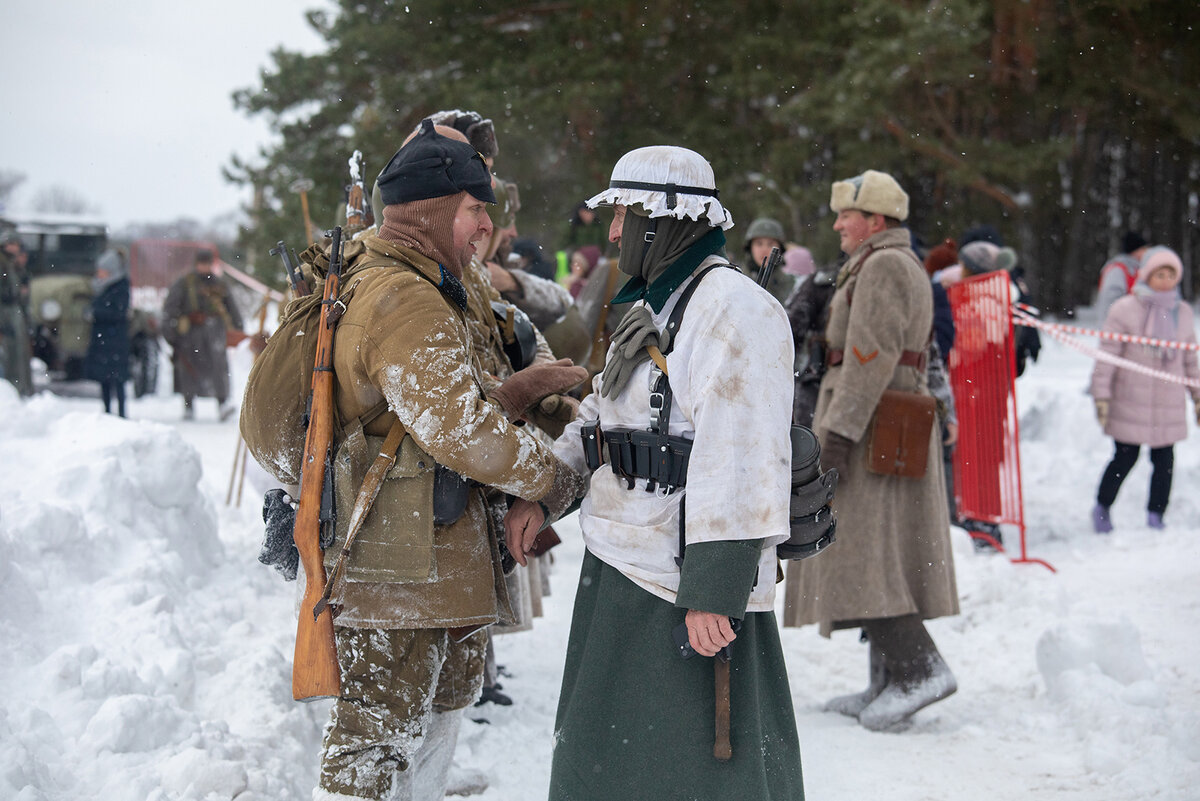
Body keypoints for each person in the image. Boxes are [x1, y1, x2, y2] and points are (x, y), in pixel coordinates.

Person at [300, 120, 587, 801]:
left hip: (429, 563)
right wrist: (557, 480)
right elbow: (462, 432)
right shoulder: (403, 295)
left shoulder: (424, 279)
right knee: (371, 752)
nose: (485, 225)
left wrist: (518, 390)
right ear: (431, 211)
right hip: (398, 571)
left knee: (431, 727)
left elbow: (437, 405)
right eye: (474, 208)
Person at [505, 145, 803, 800]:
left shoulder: (736, 310)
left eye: (624, 215)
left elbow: (745, 454)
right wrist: (545, 493)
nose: (612, 233)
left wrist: (716, 588)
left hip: (682, 584)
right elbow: (599, 420)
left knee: (692, 770)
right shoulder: (648, 306)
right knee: (606, 763)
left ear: (665, 219)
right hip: (618, 562)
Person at [788, 169, 959, 731]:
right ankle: (888, 680)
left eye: (847, 216)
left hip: (870, 427)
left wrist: (838, 436)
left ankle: (920, 670)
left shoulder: (883, 265)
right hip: (882, 423)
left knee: (862, 552)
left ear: (876, 222)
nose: (837, 224)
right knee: (876, 554)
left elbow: (869, 358)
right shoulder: (880, 262)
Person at [1090, 246, 1199, 532]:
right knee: (1125, 457)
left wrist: (1198, 396)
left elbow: (1190, 359)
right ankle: (1102, 506)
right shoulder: (1125, 309)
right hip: (1131, 400)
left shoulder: (1183, 313)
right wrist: (1101, 396)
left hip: (1168, 404)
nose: (1164, 281)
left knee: (1165, 461)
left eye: (1170, 275)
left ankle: (1156, 514)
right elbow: (1108, 356)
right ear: (1147, 275)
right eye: (1159, 274)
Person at [162, 250, 243, 421]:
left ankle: (222, 404)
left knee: (219, 367)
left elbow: (231, 306)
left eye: (207, 263)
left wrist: (238, 326)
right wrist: (170, 332)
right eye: (202, 263)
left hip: (214, 332)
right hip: (191, 333)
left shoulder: (219, 283)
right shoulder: (184, 283)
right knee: (188, 369)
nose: (204, 267)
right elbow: (170, 307)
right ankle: (188, 406)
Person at [84, 248, 132, 417]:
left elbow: (118, 313)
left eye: (102, 271)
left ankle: (121, 413)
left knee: (117, 380)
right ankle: (106, 412)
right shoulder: (101, 287)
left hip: (114, 340)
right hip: (104, 339)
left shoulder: (120, 287)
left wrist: (96, 314)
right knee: (104, 380)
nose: (99, 274)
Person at [0, 233, 34, 396]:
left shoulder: (11, 264)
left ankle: (17, 390)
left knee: (17, 354)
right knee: (11, 355)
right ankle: (12, 390)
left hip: (12, 312)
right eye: (11, 243)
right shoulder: (3, 263)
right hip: (5, 312)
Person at [740, 216, 795, 304]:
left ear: (780, 248)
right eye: (759, 244)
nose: (764, 249)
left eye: (770, 244)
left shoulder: (793, 286)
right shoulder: (737, 280)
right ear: (750, 248)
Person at [1096, 231, 1149, 320]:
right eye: (1144, 249)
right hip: (1116, 326)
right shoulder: (1118, 269)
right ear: (1136, 250)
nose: (1147, 252)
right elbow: (1110, 301)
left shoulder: (1134, 269)